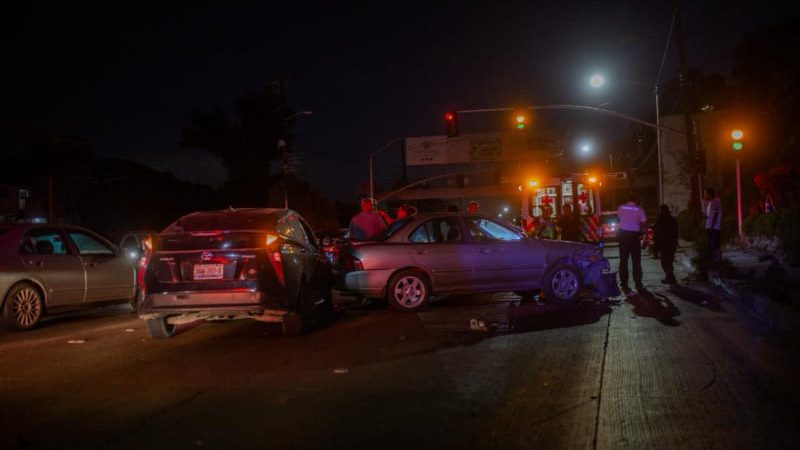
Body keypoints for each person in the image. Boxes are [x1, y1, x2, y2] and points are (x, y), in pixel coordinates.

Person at [617, 193, 648, 294]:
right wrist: (645, 239)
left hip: (623, 236)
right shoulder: (640, 210)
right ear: (636, 200)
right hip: (634, 237)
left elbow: (620, 219)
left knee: (623, 261)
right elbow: (643, 225)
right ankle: (638, 283)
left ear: (627, 200)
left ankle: (624, 284)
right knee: (636, 262)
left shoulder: (620, 208)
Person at [653, 204, 678, 284]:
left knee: (664, 262)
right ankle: (669, 277)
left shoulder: (659, 220)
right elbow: (676, 232)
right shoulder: (672, 220)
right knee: (669, 261)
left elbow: (657, 234)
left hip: (664, 244)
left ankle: (671, 277)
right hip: (671, 244)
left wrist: (656, 247)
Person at [703, 187, 722, 262]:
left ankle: (717, 260)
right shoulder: (710, 203)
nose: (704, 196)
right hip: (710, 227)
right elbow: (710, 215)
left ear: (710, 194)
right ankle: (716, 260)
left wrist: (711, 226)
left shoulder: (715, 202)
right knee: (713, 245)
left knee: (714, 245)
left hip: (714, 228)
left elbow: (715, 214)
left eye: (705, 194)